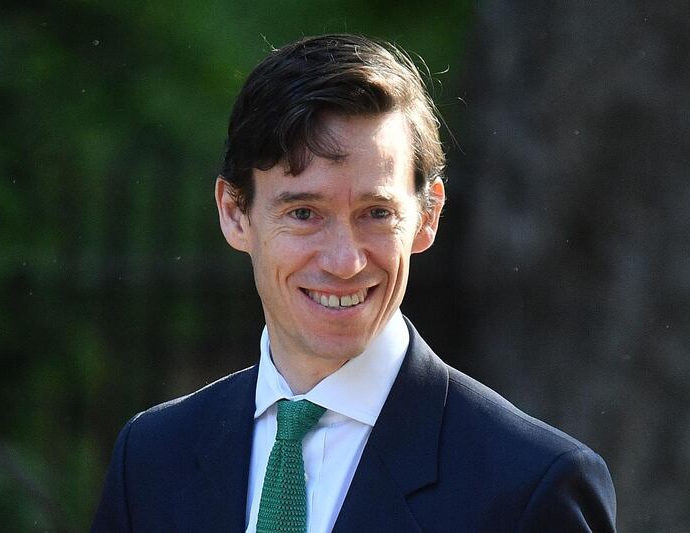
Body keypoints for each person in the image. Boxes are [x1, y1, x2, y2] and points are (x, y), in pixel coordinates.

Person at [91, 34, 616, 532]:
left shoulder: (530, 486)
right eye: (303, 213)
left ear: (428, 215)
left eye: (376, 213)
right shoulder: (152, 458)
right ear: (234, 213)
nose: (345, 261)